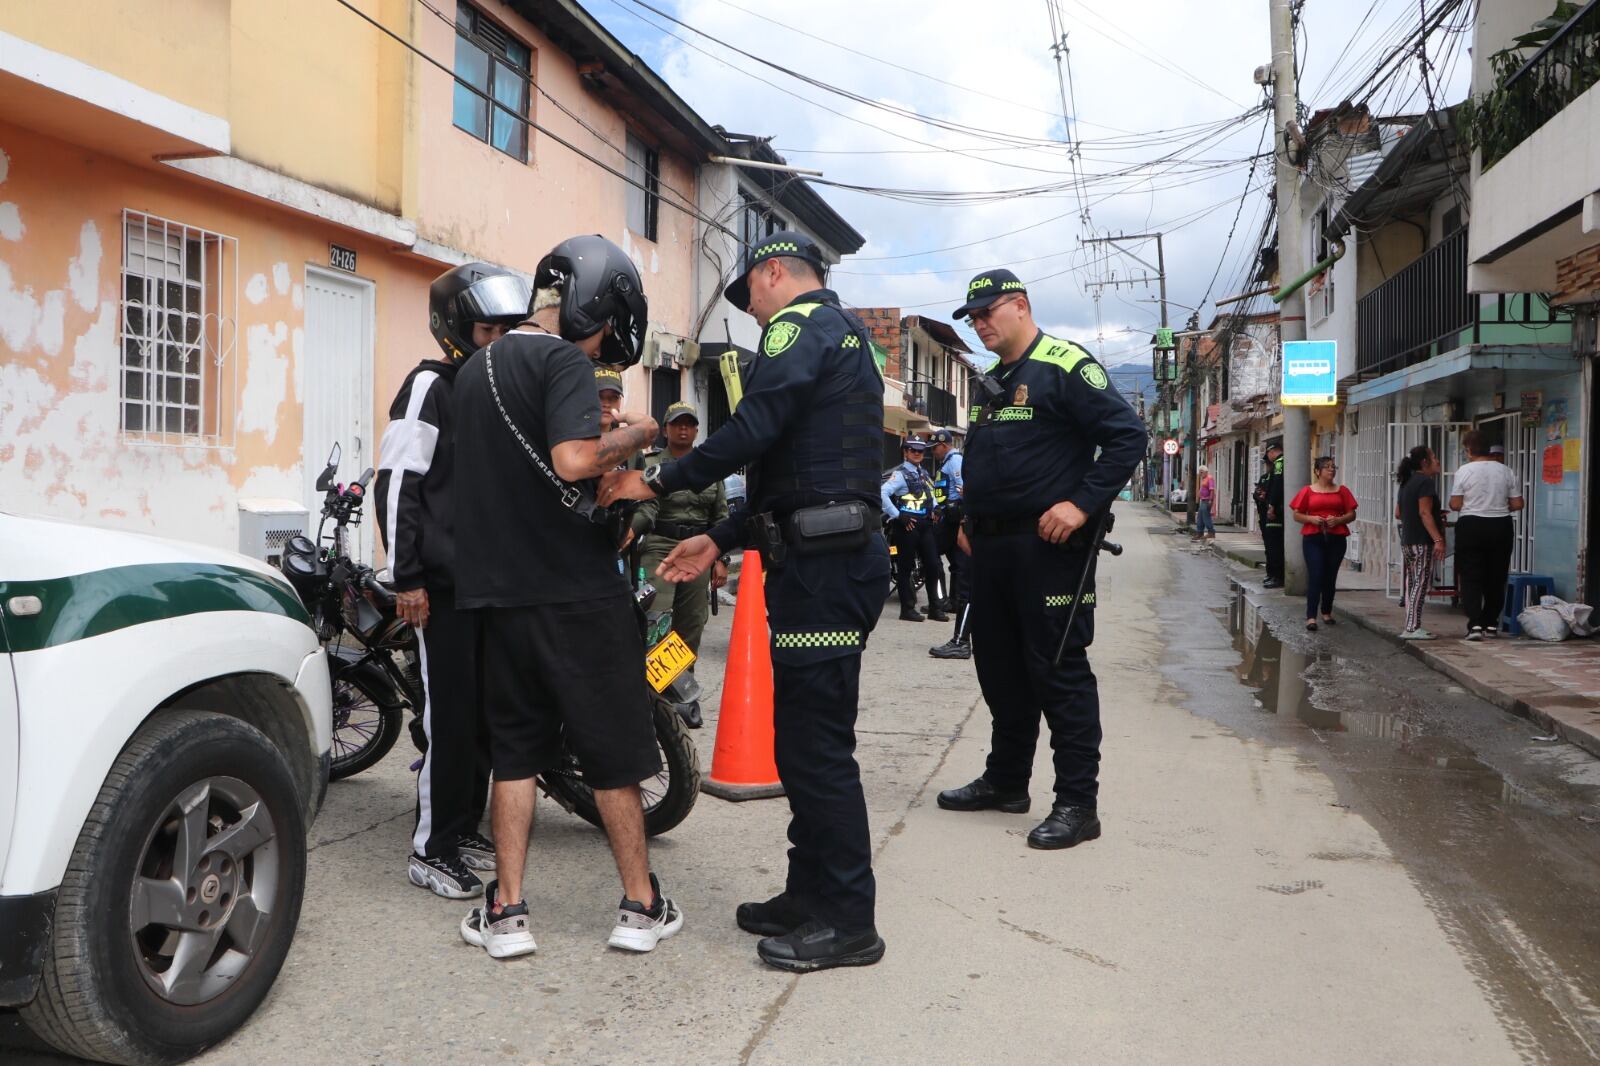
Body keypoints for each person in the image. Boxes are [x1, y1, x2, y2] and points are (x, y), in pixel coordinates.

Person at [600, 230, 892, 973]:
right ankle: (810, 894)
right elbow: (793, 470)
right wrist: (721, 535)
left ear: (773, 275)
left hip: (825, 568)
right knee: (802, 741)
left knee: (818, 747)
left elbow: (754, 433)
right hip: (824, 554)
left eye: (752, 301)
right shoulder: (845, 334)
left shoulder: (800, 324)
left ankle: (850, 919)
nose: (755, 318)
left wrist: (657, 481)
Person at [451, 235, 681, 960]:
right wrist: (639, 432)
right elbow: (574, 461)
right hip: (576, 597)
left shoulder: (473, 370)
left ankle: (509, 913)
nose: (607, 339)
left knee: (515, 756)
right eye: (609, 323)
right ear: (593, 304)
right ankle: (640, 906)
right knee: (611, 753)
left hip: (498, 598)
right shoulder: (563, 361)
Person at [934, 268, 1146, 851]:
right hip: (992, 547)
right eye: (972, 319)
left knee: (1058, 671)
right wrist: (971, 524)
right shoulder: (994, 379)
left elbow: (1128, 436)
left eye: (987, 313)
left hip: (1049, 549)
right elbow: (990, 460)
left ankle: (1079, 803)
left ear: (1021, 305)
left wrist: (1081, 504)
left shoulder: (1064, 365)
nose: (979, 325)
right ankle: (1006, 780)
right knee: (1000, 670)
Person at [375, 262, 528, 900]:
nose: (495, 340)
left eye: (503, 329)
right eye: (485, 328)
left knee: (484, 720)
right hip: (438, 589)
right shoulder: (430, 386)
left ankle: (461, 826)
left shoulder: (487, 389)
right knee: (450, 720)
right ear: (456, 329)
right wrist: (408, 576)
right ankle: (429, 850)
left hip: (489, 586)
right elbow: (398, 482)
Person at [630, 400, 730, 726]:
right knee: (656, 620)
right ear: (666, 428)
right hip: (660, 546)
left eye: (689, 423)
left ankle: (682, 694)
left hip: (698, 551)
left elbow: (722, 517)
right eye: (677, 424)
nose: (683, 429)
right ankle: (653, 698)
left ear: (696, 429)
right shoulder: (653, 463)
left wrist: (720, 559)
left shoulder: (710, 466)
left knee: (691, 623)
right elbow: (645, 508)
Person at [1450, 430, 1525, 640]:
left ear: (1470, 450)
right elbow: (1518, 503)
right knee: (1496, 575)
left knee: (1471, 575)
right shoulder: (1506, 471)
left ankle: (1474, 625)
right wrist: (1498, 506)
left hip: (1471, 525)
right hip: (1500, 525)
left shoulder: (1464, 471)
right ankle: (1491, 624)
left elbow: (1455, 504)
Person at [881, 436, 948, 622]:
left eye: (921, 451)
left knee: (933, 566)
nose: (918, 453)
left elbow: (930, 494)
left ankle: (935, 607)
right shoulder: (901, 474)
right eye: (913, 450)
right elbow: (883, 493)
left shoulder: (923, 473)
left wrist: (936, 507)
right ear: (906, 452)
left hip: (926, 526)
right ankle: (907, 609)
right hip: (908, 526)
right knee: (905, 568)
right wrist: (897, 515)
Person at [1289, 457, 1357, 632]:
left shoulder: (1342, 491)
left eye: (1333, 467)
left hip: (1336, 537)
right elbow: (1297, 515)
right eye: (1326, 467)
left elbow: (1352, 514)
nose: (1331, 470)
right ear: (1317, 471)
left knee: (1330, 576)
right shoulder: (1308, 491)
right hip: (1313, 537)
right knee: (1316, 574)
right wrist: (1311, 518)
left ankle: (1326, 611)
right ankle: (1311, 616)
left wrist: (1339, 519)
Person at [928, 427, 973, 659]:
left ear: (944, 445)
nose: (932, 452)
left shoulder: (954, 463)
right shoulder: (950, 461)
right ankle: (951, 602)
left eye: (934, 447)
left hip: (954, 518)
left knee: (931, 555)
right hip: (953, 517)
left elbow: (963, 490)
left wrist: (962, 519)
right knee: (958, 565)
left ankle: (941, 601)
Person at [1395, 444, 1446, 641]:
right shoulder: (1425, 482)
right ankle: (1412, 627)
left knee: (1412, 583)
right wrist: (1438, 539)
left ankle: (1410, 625)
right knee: (1421, 583)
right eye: (1434, 457)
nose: (1438, 461)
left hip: (1407, 540)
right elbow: (1424, 513)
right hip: (1421, 542)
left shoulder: (1406, 482)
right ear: (1425, 462)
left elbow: (1398, 513)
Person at [1254, 439, 1285, 588]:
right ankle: (1272, 574)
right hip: (1270, 512)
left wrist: (1272, 506)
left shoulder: (1280, 463)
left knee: (1275, 547)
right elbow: (1259, 492)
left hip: (1277, 512)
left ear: (1272, 452)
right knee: (1270, 547)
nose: (1268, 464)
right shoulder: (1267, 475)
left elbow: (1278, 486)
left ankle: (1277, 576)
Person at [1195, 464, 1216, 540]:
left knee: (1206, 516)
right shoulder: (1204, 479)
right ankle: (1199, 532)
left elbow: (1212, 490)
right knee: (1200, 517)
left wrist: (1210, 500)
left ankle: (1211, 532)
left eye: (1201, 472)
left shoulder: (1209, 478)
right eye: (1200, 472)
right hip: (1203, 500)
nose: (1200, 474)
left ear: (1205, 472)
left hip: (1207, 500)